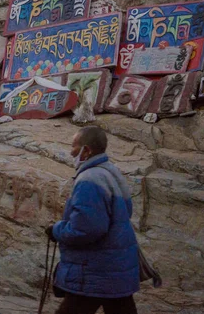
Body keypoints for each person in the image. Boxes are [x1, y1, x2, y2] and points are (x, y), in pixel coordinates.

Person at [46, 126, 139, 314]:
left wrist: (56, 230)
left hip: (92, 270)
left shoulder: (90, 178)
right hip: (114, 266)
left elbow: (87, 229)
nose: (71, 151)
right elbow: (125, 211)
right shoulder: (111, 171)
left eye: (74, 146)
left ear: (86, 150)